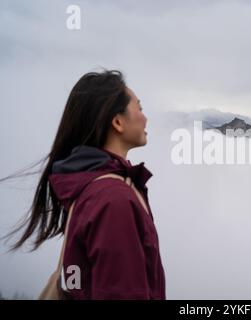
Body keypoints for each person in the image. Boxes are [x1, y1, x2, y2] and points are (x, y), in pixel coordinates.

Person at [2, 70, 166, 299]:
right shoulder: (113, 199)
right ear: (118, 122)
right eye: (139, 108)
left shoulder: (90, 186)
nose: (145, 117)